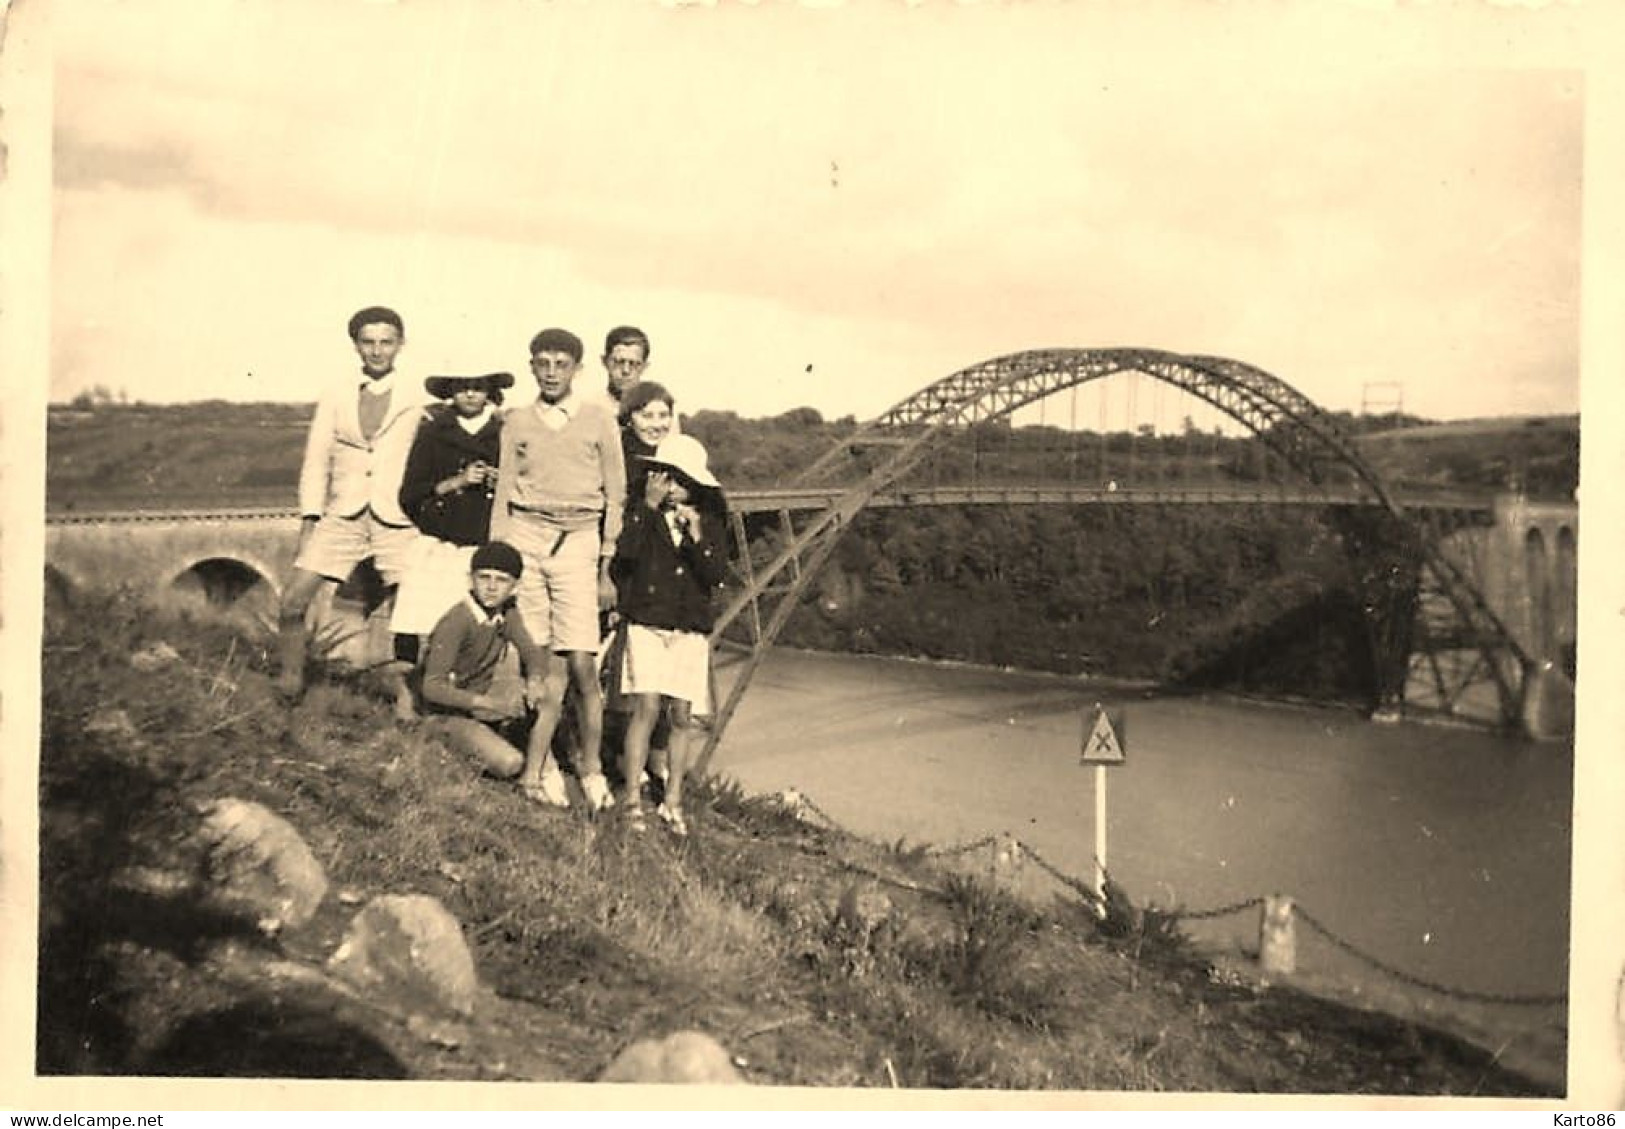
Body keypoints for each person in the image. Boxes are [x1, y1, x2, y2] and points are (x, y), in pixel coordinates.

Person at [489, 328, 625, 812]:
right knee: (539, 663)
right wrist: (499, 556)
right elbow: (504, 489)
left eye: (561, 364)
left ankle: (591, 767)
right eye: (542, 363)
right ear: (531, 366)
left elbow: (616, 493)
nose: (551, 372)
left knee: (583, 664)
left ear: (576, 369)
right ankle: (542, 763)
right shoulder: (518, 420)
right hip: (526, 536)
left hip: (579, 540)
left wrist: (606, 564)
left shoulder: (597, 420)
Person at [275, 305, 428, 712]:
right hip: (343, 513)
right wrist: (311, 518)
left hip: (397, 518)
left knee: (407, 612)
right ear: (356, 345)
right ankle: (289, 684)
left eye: (386, 342)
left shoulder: (417, 396)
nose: (377, 351)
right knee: (292, 600)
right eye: (368, 342)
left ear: (400, 344)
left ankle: (408, 702)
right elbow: (316, 458)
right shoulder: (337, 394)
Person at [611, 433, 730, 835]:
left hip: (689, 629)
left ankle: (673, 800)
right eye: (668, 480)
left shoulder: (708, 522)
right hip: (647, 623)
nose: (674, 489)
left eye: (682, 482)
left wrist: (696, 535)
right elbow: (623, 557)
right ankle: (631, 800)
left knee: (681, 715)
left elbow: (716, 574)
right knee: (645, 708)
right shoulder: (641, 514)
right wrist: (645, 507)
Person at [389, 371, 512, 715]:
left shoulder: (504, 432)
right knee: (415, 619)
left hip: (480, 546)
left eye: (478, 387)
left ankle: (458, 704)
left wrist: (502, 483)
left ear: (490, 391)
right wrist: (455, 482)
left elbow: (523, 484)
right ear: (451, 392)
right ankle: (409, 700)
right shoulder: (433, 432)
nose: (471, 394)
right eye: (462, 387)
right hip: (439, 542)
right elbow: (410, 494)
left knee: (470, 625)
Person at [419, 541, 557, 791]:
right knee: (510, 762)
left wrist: (535, 680)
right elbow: (431, 687)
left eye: (501, 580)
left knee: (548, 698)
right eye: (484, 577)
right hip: (444, 714)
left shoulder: (506, 613)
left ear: (515, 586)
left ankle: (533, 779)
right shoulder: (458, 620)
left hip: (475, 707)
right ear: (470, 579)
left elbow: (532, 652)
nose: (491, 587)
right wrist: (489, 704)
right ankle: (445, 750)